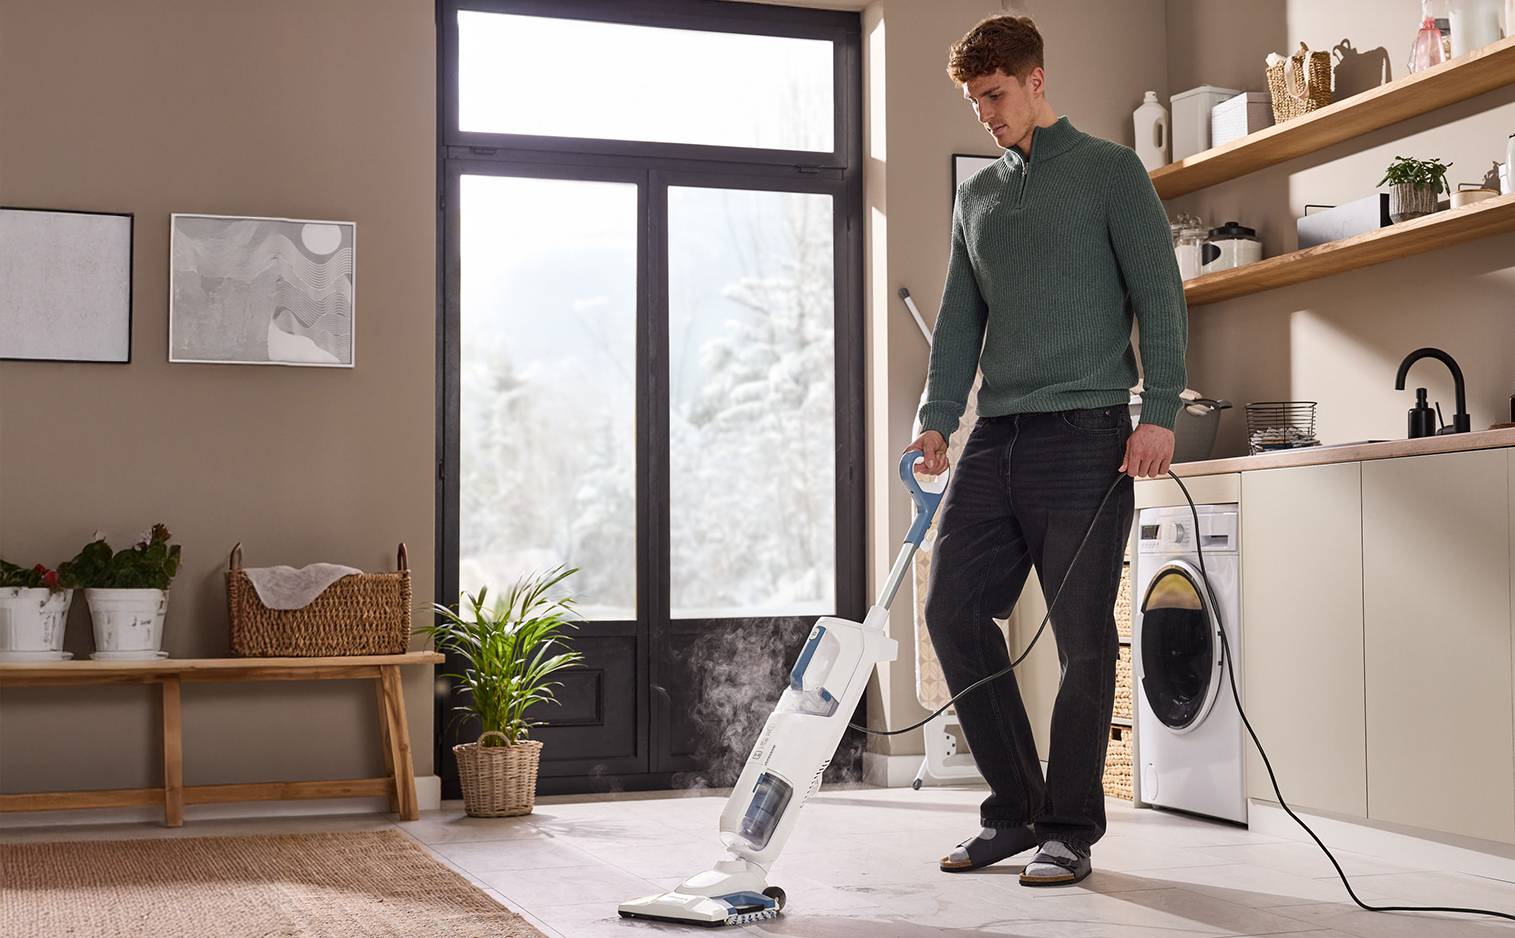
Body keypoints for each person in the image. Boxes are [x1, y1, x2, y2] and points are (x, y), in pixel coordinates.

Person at [905, 14, 1187, 887]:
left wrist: (1161, 409)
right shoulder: (977, 195)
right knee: (951, 610)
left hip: (1090, 431)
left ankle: (1069, 827)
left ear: (1033, 79)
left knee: (1079, 638)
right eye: (972, 101)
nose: (984, 114)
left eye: (993, 95)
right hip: (998, 439)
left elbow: (1159, 296)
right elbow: (958, 322)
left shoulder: (1109, 172)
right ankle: (1015, 811)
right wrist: (936, 418)